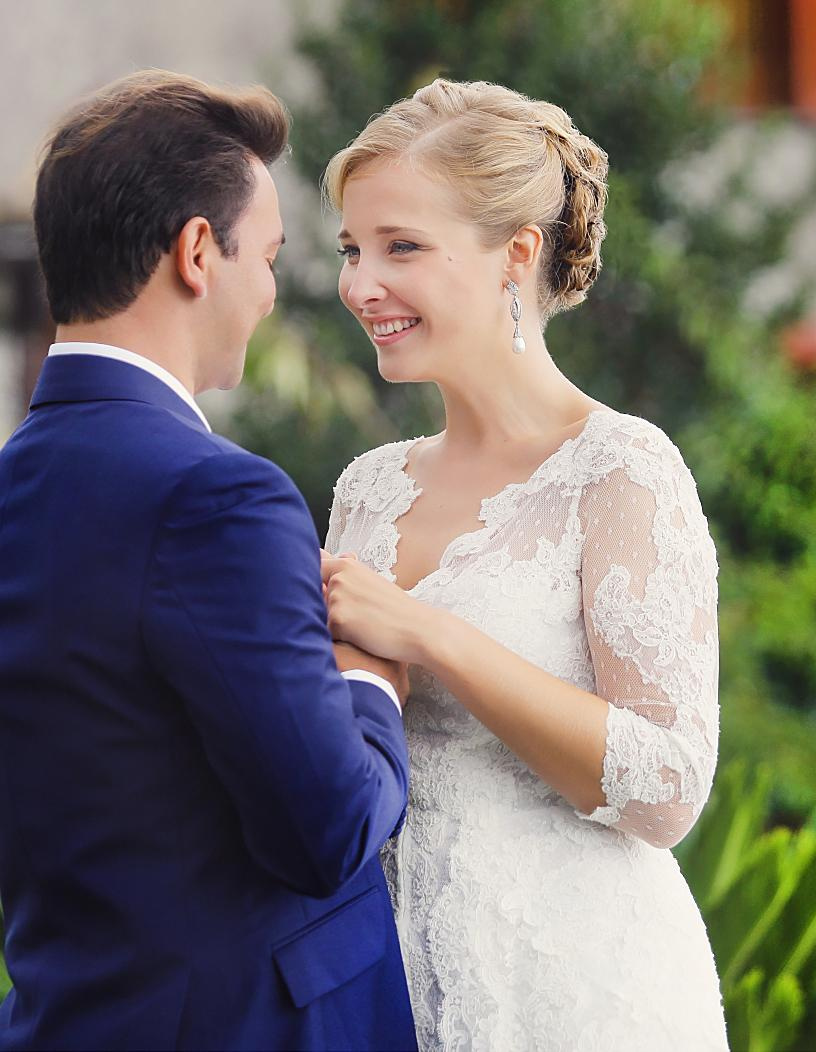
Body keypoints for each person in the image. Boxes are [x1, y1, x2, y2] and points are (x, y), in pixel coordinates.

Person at [0, 70, 417, 1051]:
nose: (269, 292)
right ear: (198, 251)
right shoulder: (219, 497)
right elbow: (327, 833)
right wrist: (373, 682)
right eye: (266, 257)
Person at [321, 78, 729, 1051]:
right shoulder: (367, 487)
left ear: (515, 252)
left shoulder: (621, 469)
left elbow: (666, 785)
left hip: (576, 992)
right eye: (350, 248)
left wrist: (430, 634)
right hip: (389, 992)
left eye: (399, 246)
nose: (357, 283)